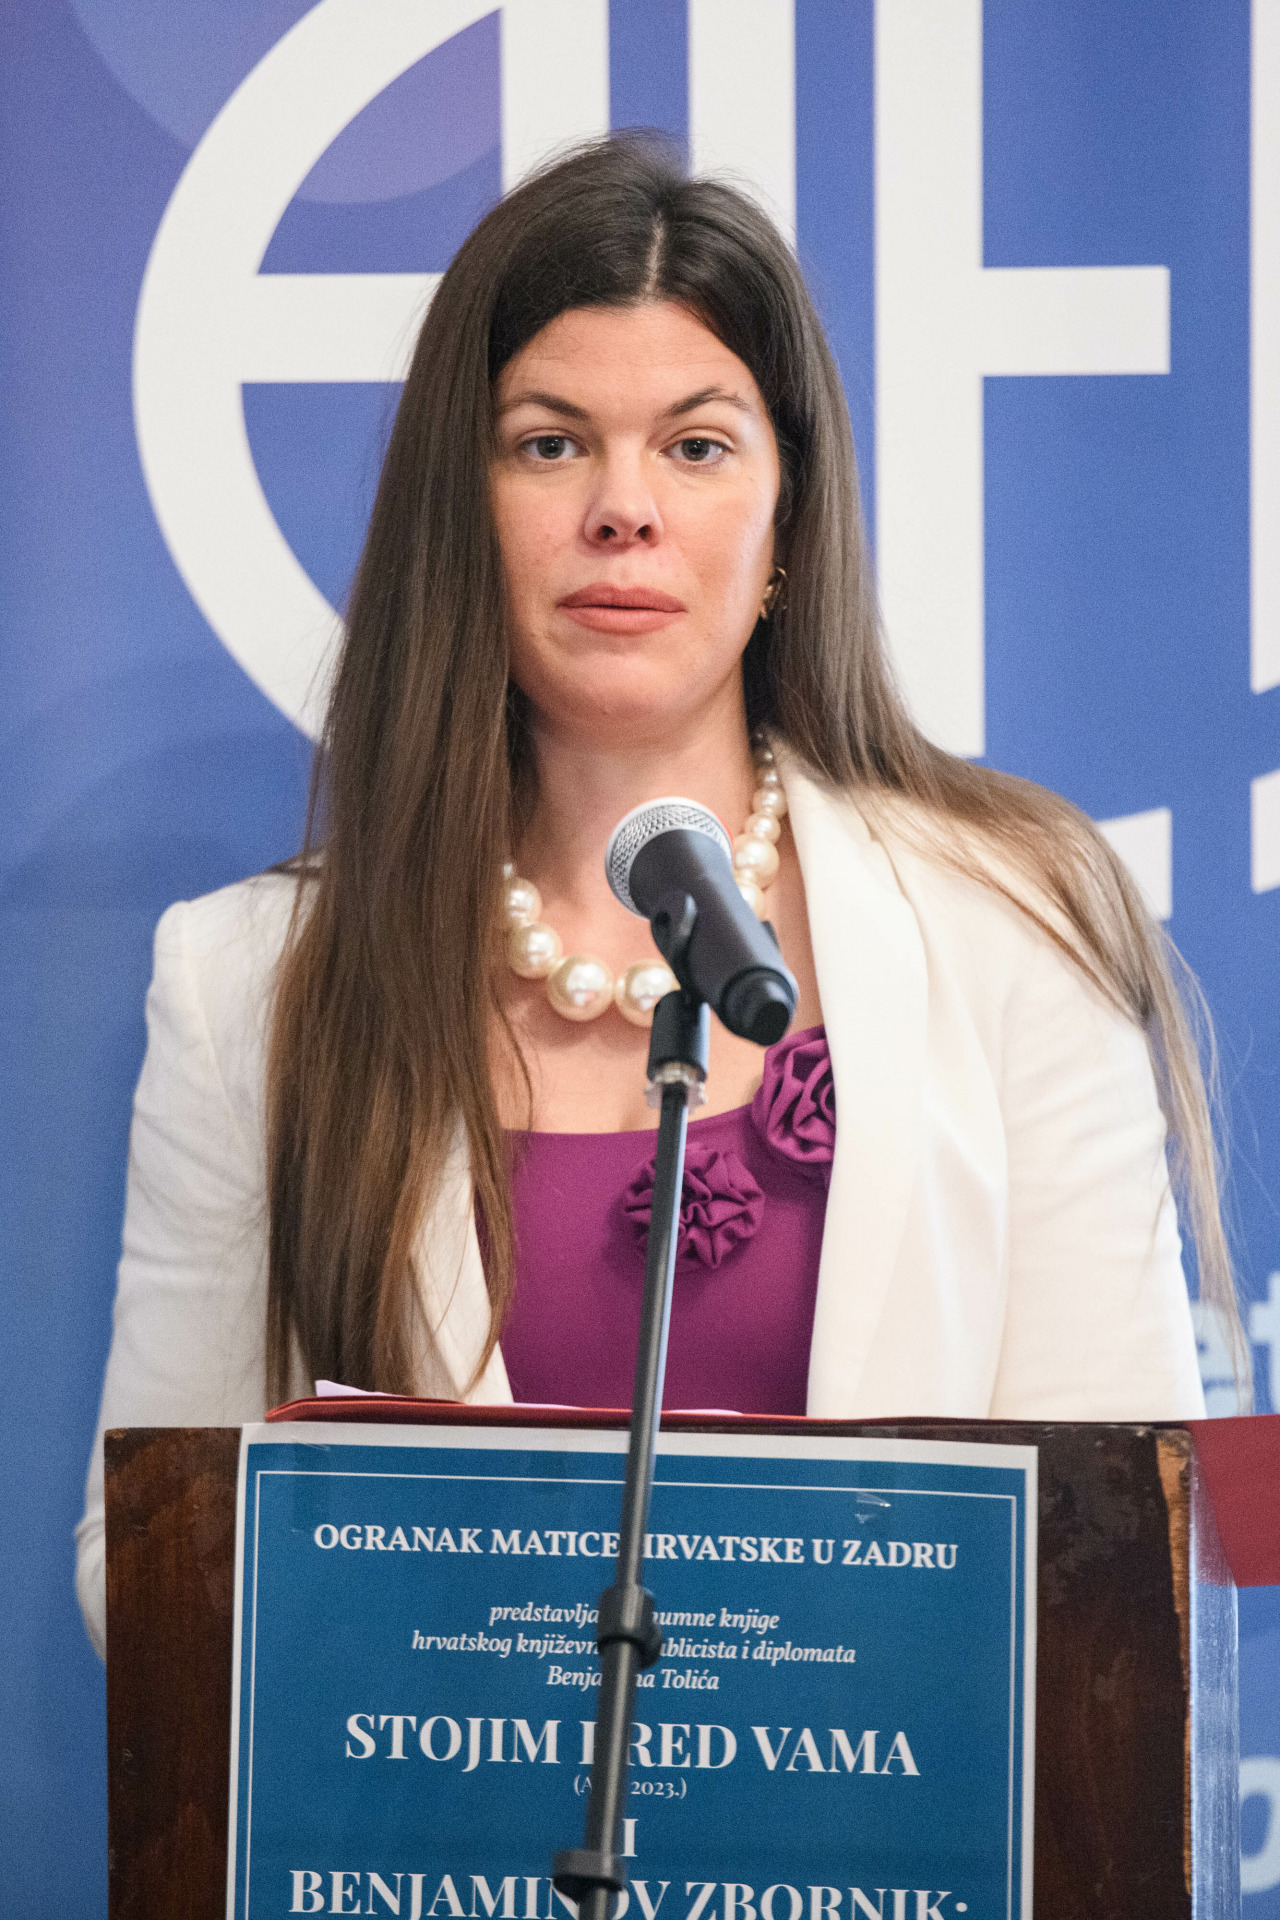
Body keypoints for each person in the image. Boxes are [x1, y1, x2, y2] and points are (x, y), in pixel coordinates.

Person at [75, 136, 1241, 1658]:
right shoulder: (249, 981)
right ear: (460, 512)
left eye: (696, 446)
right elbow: (144, 1570)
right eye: (549, 445)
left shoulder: (1017, 926)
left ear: (784, 520)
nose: (623, 508)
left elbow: (1125, 1559)